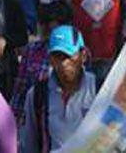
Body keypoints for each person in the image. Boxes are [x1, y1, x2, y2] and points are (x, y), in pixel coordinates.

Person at [20, 25, 96, 153]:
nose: (63, 63)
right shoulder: (37, 94)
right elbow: (28, 145)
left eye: (68, 56)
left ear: (83, 56)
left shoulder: (99, 89)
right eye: (57, 57)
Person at [10, 0, 71, 124]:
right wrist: (13, 121)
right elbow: (20, 89)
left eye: (49, 23)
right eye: (42, 23)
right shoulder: (31, 51)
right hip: (34, 118)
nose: (45, 28)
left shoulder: (76, 54)